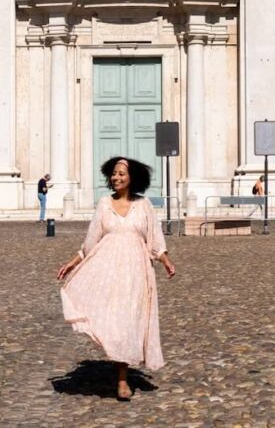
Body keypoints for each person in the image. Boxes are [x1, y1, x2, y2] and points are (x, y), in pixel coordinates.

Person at [57, 156, 175, 401]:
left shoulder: (144, 206)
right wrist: (73, 262)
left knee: (130, 321)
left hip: (136, 275)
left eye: (121, 173)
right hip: (109, 274)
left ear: (133, 178)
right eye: (113, 173)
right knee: (118, 321)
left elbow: (155, 239)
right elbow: (91, 242)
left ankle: (122, 377)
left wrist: (165, 261)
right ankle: (122, 378)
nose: (116, 177)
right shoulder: (103, 204)